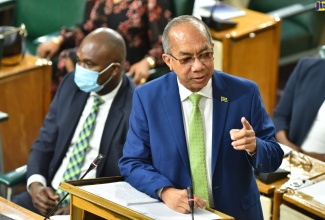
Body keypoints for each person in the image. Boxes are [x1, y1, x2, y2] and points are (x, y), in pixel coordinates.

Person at [118, 15, 284, 220]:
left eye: (205, 55)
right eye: (186, 59)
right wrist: (165, 192)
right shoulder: (147, 97)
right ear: (168, 61)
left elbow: (274, 157)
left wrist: (255, 146)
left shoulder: (244, 93)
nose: (198, 66)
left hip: (236, 214)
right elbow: (133, 162)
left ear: (213, 50)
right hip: (176, 214)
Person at [12, 27, 136, 216]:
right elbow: (44, 143)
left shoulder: (136, 106)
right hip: (48, 195)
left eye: (89, 64)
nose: (80, 70)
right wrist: (36, 185)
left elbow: (129, 180)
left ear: (114, 70)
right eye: (79, 61)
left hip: (93, 208)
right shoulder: (71, 84)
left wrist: (80, 208)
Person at [37, 0, 172, 90]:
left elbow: (166, 41)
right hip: (96, 58)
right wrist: (59, 40)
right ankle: (77, 112)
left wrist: (148, 61)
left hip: (125, 64)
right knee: (68, 58)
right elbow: (86, 29)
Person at [273, 57, 325, 162]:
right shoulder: (307, 67)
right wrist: (290, 149)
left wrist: (308, 158)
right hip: (290, 160)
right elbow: (280, 116)